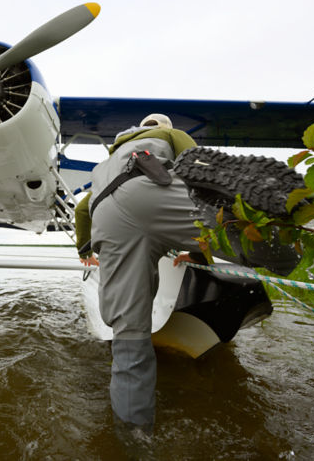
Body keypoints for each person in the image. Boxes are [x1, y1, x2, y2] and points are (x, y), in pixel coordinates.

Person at [74, 113, 216, 431]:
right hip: (155, 200)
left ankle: (132, 436)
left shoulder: (110, 160)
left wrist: (86, 250)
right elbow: (200, 173)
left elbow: (83, 209)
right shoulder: (170, 135)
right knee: (231, 225)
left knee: (130, 336)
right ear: (163, 128)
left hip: (110, 220)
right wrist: (198, 252)